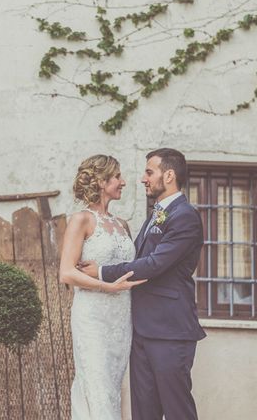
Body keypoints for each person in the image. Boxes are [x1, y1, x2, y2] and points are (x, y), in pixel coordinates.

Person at [80, 148, 206, 420]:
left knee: (177, 411)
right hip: (142, 330)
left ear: (169, 175)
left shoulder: (185, 216)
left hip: (170, 332)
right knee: (143, 413)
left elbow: (153, 265)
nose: (142, 179)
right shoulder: (157, 214)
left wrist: (100, 272)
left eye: (149, 172)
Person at [59, 154, 147, 420]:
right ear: (100, 181)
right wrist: (104, 286)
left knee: (112, 388)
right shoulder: (81, 220)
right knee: (96, 385)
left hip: (121, 319)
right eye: (117, 176)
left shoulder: (123, 225)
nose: (123, 182)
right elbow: (66, 272)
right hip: (93, 317)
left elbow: (127, 268)